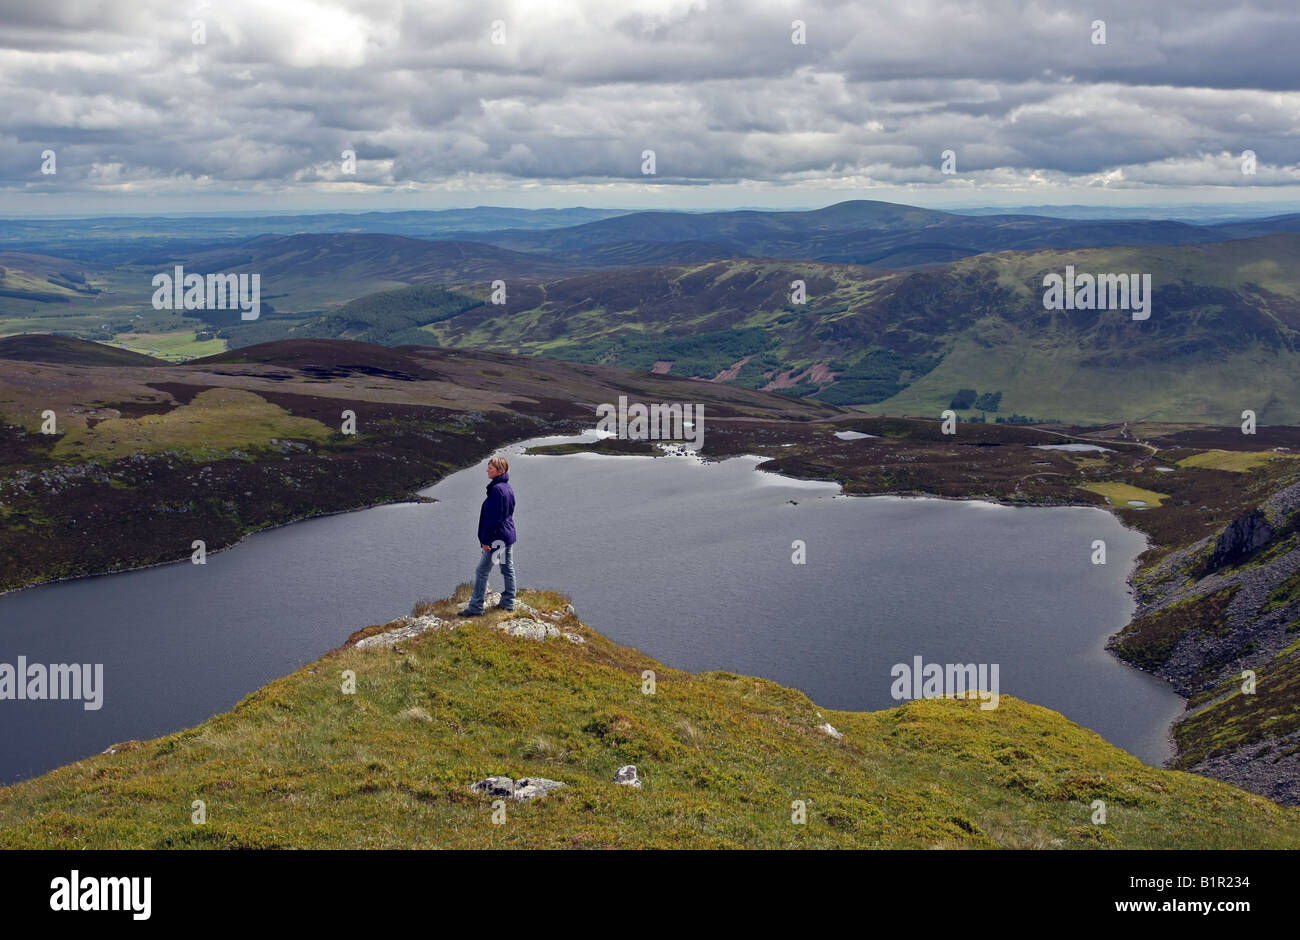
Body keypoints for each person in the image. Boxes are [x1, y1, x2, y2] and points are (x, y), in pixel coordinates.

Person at [458, 455, 517, 616]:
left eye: (490, 468)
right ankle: (508, 602)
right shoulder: (507, 487)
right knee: (507, 569)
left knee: (482, 571)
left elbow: (493, 520)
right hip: (506, 536)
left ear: (499, 470)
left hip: (497, 540)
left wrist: (486, 541)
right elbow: (508, 513)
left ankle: (476, 607)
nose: (487, 470)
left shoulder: (497, 490)